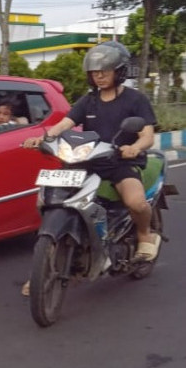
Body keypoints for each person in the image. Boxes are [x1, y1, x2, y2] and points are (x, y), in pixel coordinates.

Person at [20, 41, 160, 295]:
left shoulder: (135, 99)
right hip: (88, 161)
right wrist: (44, 138)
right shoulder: (89, 101)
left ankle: (144, 235)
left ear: (119, 72)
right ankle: (42, 270)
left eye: (104, 71)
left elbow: (147, 134)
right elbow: (65, 123)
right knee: (54, 201)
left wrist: (136, 147)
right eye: (95, 73)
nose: (99, 76)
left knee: (135, 202)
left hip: (120, 162)